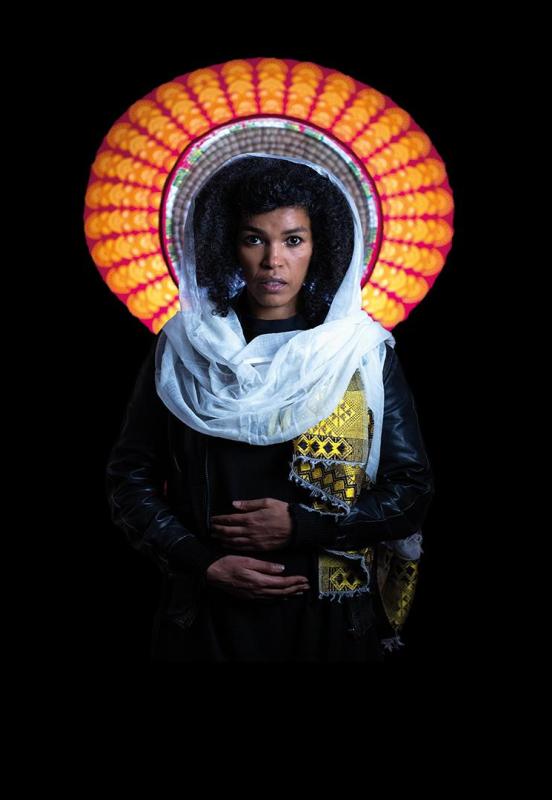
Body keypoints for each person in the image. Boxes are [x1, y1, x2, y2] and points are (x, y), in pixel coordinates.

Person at [105, 154, 435, 662]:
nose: (272, 260)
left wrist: (307, 527)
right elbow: (130, 478)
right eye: (254, 238)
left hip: (329, 621)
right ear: (226, 245)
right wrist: (203, 562)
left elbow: (411, 490)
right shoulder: (183, 349)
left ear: (320, 248)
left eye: (293, 240)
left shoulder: (358, 355)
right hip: (207, 617)